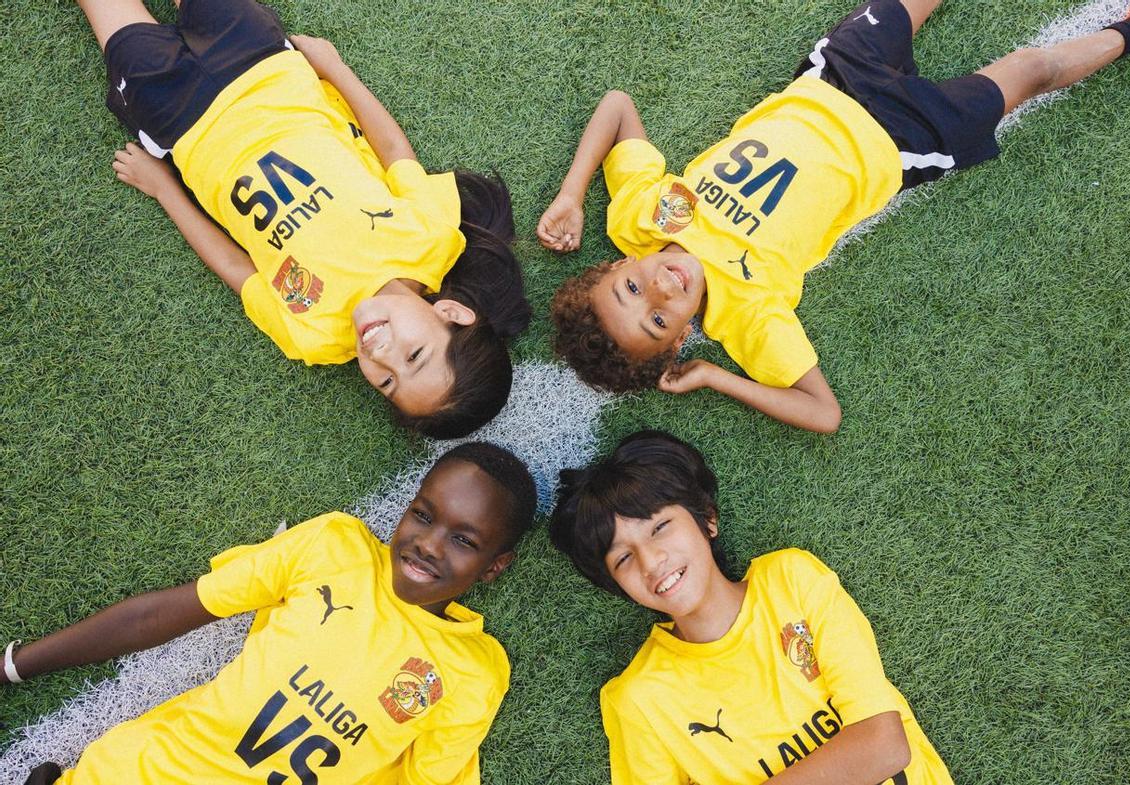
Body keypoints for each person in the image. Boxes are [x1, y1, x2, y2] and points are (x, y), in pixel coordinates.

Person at [539, 0, 1130, 434]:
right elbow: (822, 412)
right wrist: (717, 376)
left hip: (835, 79)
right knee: (1034, 68)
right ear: (679, 338)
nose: (659, 289)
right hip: (902, 140)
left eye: (632, 286)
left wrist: (572, 194)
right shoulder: (747, 313)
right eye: (657, 319)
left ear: (620, 261)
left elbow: (619, 105)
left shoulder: (644, 217)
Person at [80, 0, 532, 439]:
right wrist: (334, 67)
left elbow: (239, 269)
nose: (381, 356)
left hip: (180, 119)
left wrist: (163, 189)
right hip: (263, 67)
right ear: (450, 313)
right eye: (414, 355)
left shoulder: (314, 337)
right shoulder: (432, 237)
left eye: (388, 383)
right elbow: (394, 152)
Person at [3, 442, 538, 785]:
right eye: (422, 515)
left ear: (495, 567)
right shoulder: (334, 548)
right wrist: (14, 664)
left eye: (463, 539)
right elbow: (172, 611)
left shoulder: (473, 672)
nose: (427, 543)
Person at [550, 430, 953, 784]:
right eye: (623, 559)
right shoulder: (638, 699)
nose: (651, 561)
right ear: (618, 586)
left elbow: (883, 746)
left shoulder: (790, 581)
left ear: (707, 519)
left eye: (659, 527)